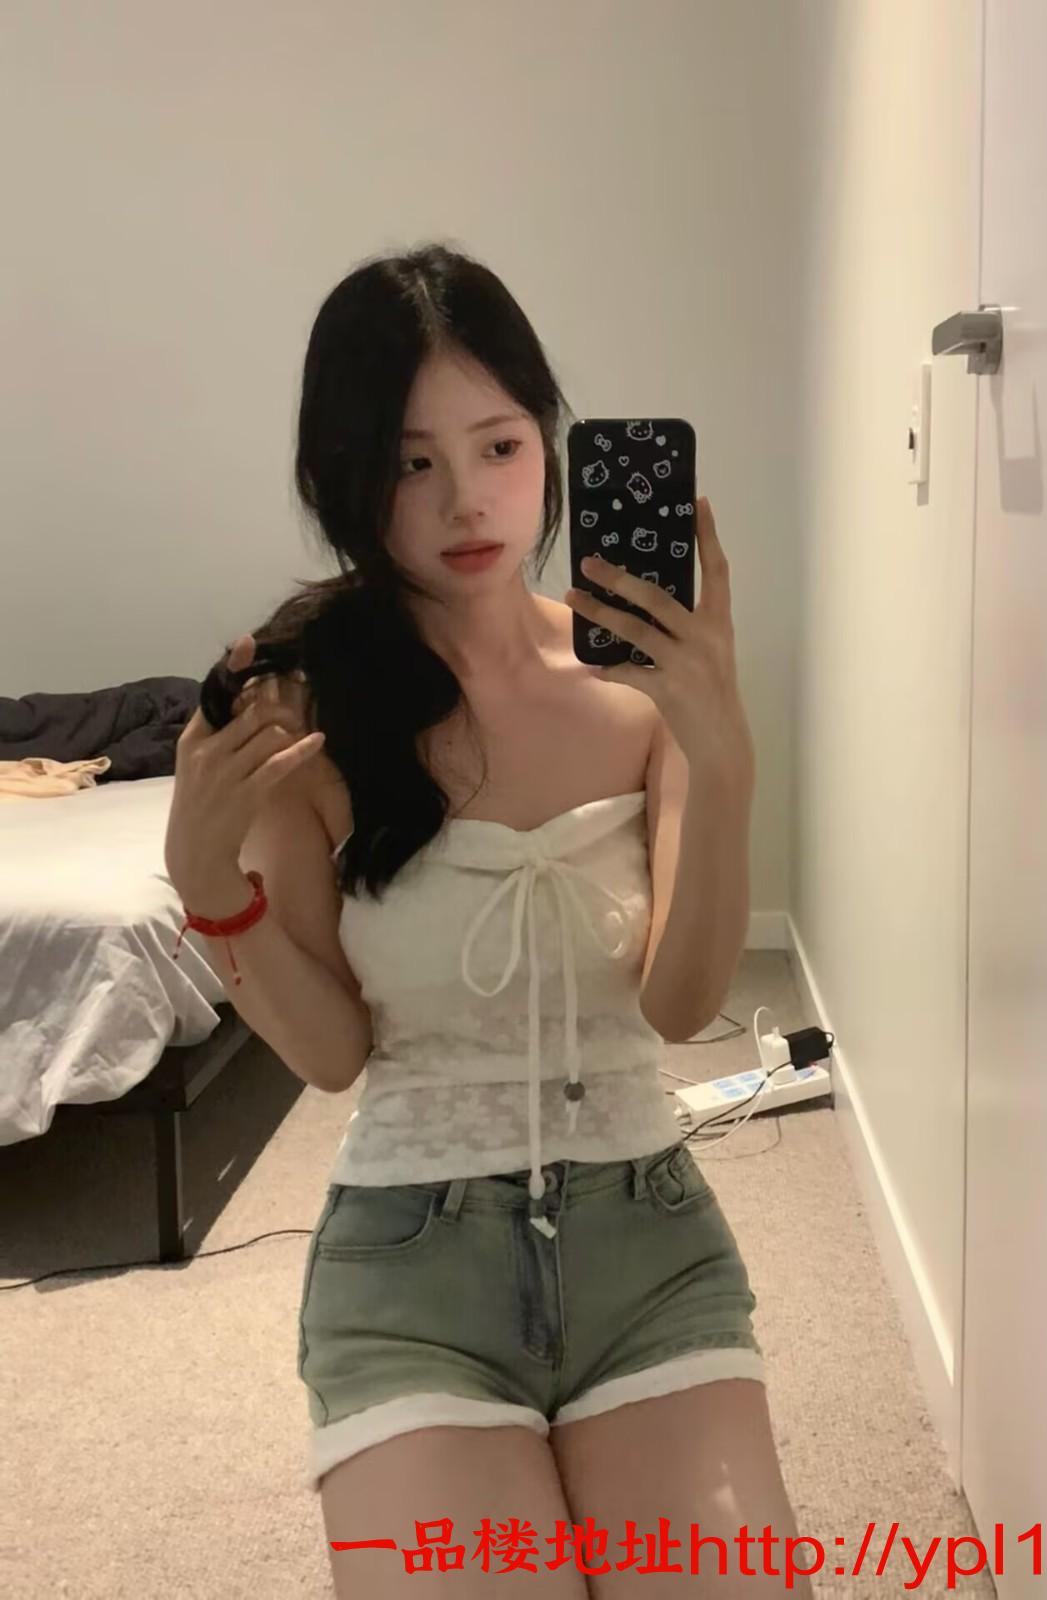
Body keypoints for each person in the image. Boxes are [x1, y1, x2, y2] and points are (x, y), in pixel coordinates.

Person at [165, 243, 809, 1598]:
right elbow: (333, 1052)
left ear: (549, 444)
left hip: (648, 1241)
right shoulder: (308, 712)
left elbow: (681, 1003)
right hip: (409, 1271)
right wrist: (204, 880)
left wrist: (723, 755)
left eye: (500, 445)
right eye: (410, 462)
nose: (466, 498)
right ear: (345, 477)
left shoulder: (645, 691)